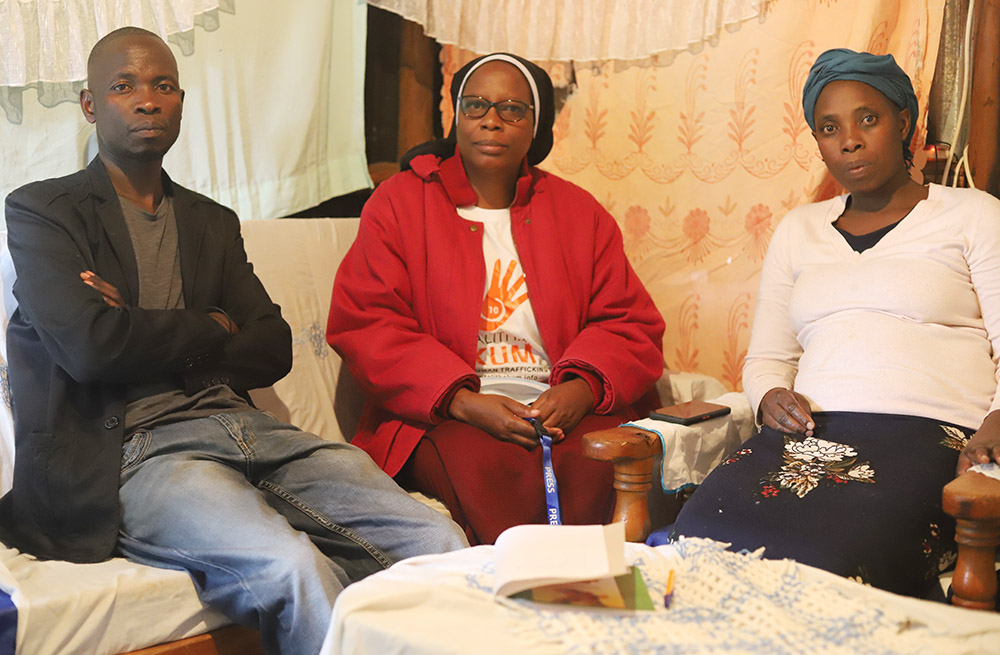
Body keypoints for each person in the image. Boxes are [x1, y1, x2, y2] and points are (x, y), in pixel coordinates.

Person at [0, 27, 467, 655]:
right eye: (123, 86)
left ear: (181, 102)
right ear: (90, 105)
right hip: (139, 453)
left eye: (163, 85)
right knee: (291, 567)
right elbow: (90, 349)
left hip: (248, 431)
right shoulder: (44, 211)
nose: (146, 99)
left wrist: (132, 322)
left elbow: (272, 347)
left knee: (439, 538)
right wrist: (213, 324)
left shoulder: (209, 222)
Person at [669, 48, 1000, 597]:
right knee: (701, 537)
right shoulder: (798, 230)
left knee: (838, 560)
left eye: (867, 119)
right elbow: (768, 358)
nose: (849, 139)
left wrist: (999, 419)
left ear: (903, 123)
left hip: (931, 435)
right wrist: (770, 393)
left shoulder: (972, 215)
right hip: (809, 434)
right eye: (829, 128)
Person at [327, 53, 665, 545]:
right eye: (477, 105)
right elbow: (367, 322)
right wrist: (463, 401)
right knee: (482, 465)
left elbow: (629, 321)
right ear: (456, 117)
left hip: (561, 401)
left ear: (535, 126)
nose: (491, 119)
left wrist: (581, 390)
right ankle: (506, 604)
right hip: (450, 412)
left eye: (512, 109)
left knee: (593, 461)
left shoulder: (577, 212)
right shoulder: (400, 202)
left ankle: (590, 601)